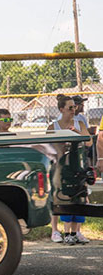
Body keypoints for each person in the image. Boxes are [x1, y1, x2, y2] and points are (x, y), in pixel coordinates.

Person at [47, 94, 91, 244]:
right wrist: (61, 145)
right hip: (60, 166)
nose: (74, 110)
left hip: (77, 166)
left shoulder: (79, 124)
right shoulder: (54, 126)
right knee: (59, 197)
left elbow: (89, 142)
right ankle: (55, 230)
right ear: (61, 109)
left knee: (78, 196)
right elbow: (48, 148)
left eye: (75, 107)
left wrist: (76, 134)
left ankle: (75, 232)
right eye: (70, 107)